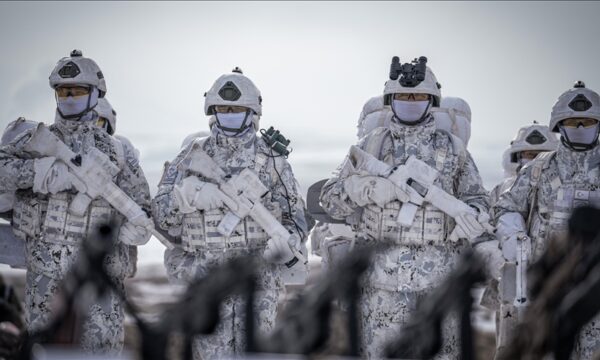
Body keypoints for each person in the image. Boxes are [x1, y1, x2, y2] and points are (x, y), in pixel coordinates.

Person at [319, 56, 490, 359]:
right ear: (391, 100)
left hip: (440, 284)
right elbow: (330, 198)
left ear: (431, 101)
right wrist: (369, 189)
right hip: (380, 285)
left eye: (418, 96)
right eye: (403, 96)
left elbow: (478, 198)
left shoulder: (453, 148)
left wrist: (475, 216)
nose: (410, 101)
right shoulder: (370, 145)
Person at [0, 50, 152, 354]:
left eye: (78, 91)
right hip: (46, 281)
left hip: (102, 281)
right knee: (47, 352)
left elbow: (144, 210)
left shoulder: (118, 154)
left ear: (94, 95)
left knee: (102, 354)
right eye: (63, 91)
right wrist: (43, 173)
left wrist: (128, 230)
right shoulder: (34, 142)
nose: (69, 97)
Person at [153, 67, 307, 359]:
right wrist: (186, 197)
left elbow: (296, 217)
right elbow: (160, 218)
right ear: (212, 110)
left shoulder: (273, 162)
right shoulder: (189, 157)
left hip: (259, 284)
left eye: (237, 108)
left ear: (252, 111)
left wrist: (289, 243)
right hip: (206, 281)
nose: (229, 113)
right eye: (223, 108)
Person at [494, 81, 600, 359]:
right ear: (559, 125)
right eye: (572, 121)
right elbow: (506, 207)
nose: (580, 127)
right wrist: (515, 238)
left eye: (587, 121)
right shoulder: (538, 169)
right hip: (547, 293)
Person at [489, 121, 558, 208]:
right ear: (517, 158)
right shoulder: (502, 190)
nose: (536, 160)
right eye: (530, 155)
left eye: (542, 155)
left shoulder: (562, 188)